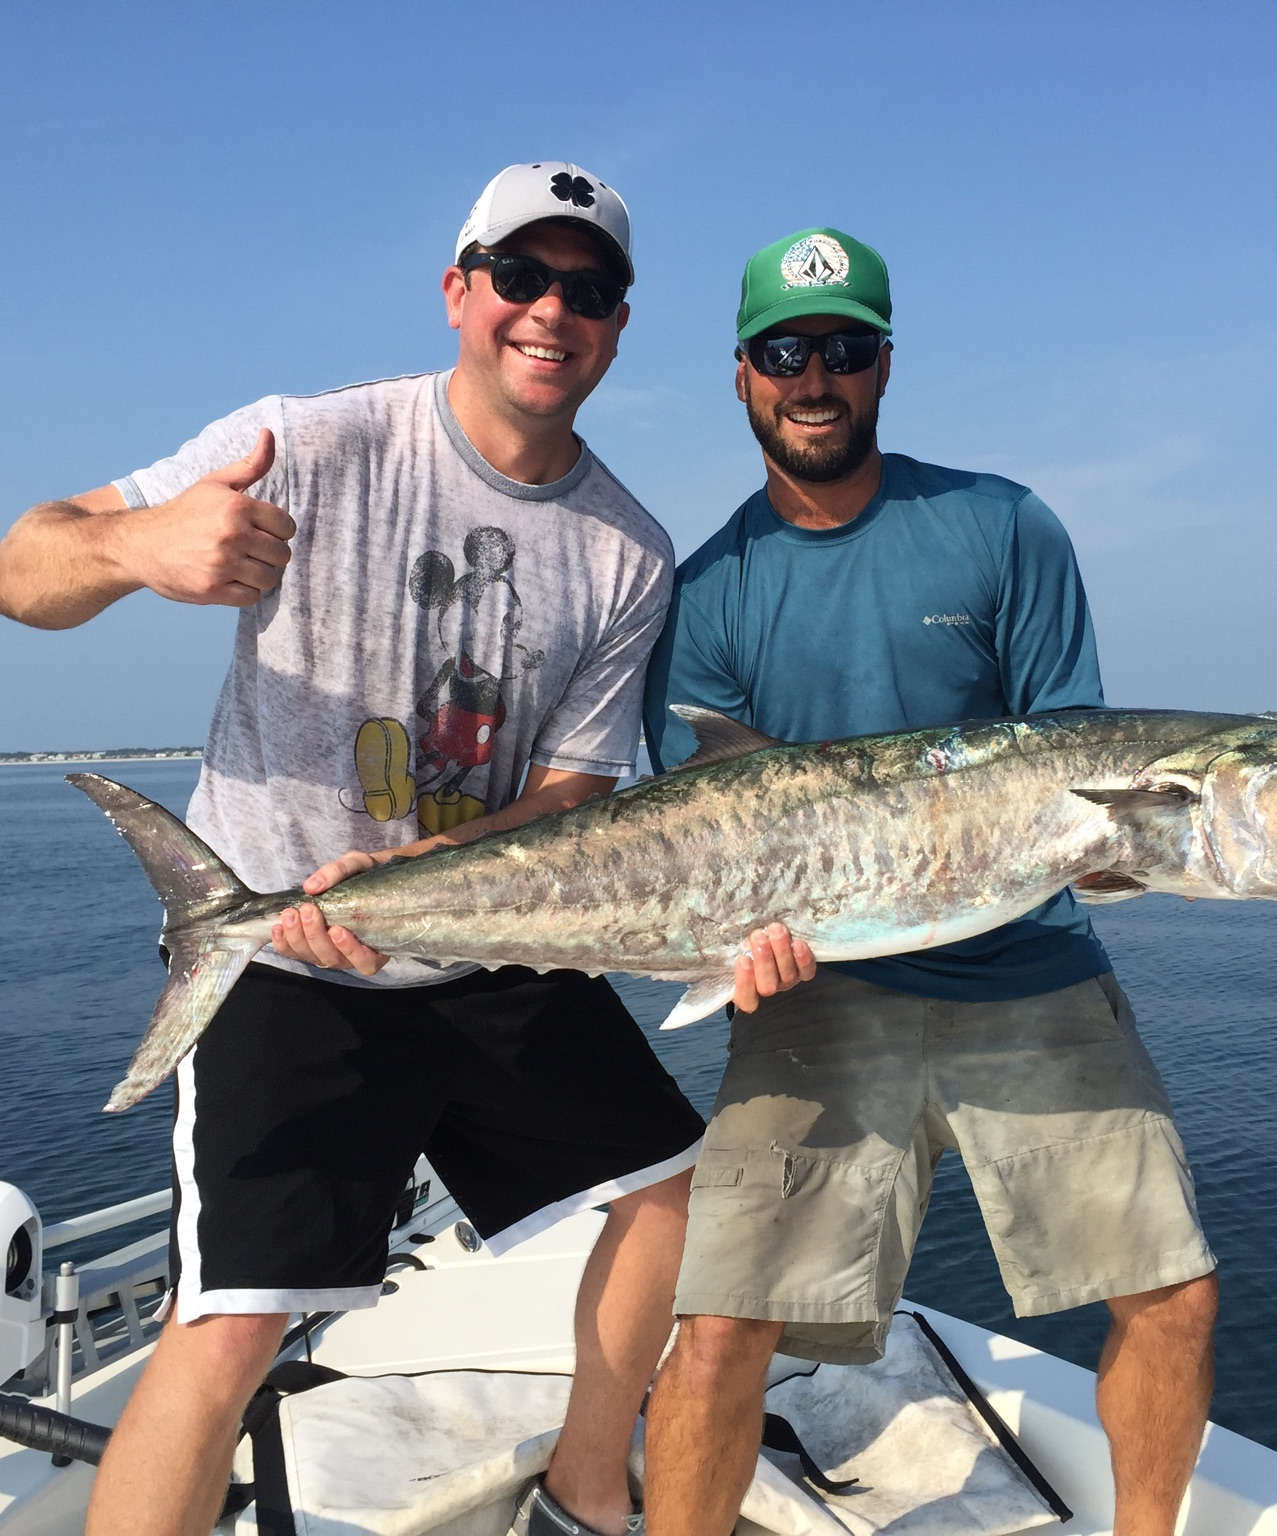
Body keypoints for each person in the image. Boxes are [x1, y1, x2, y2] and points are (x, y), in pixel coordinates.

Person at [0, 163, 733, 1536]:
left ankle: (586, 1472)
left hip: (489, 943)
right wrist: (145, 548)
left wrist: (408, 896)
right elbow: (23, 561)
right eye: (522, 276)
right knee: (226, 1331)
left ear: (619, 327)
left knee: (676, 1200)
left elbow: (572, 795)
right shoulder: (309, 440)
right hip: (284, 959)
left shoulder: (630, 553)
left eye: (589, 290)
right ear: (461, 292)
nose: (551, 309)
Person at [640, 228, 1221, 1536]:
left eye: (844, 348)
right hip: (816, 993)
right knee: (723, 1325)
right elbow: (703, 832)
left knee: (1172, 1295)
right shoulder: (708, 596)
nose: (816, 377)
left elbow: (1076, 761)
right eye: (786, 351)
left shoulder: (1004, 527)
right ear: (741, 375)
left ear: (883, 365)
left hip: (1029, 966)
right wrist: (739, 949)